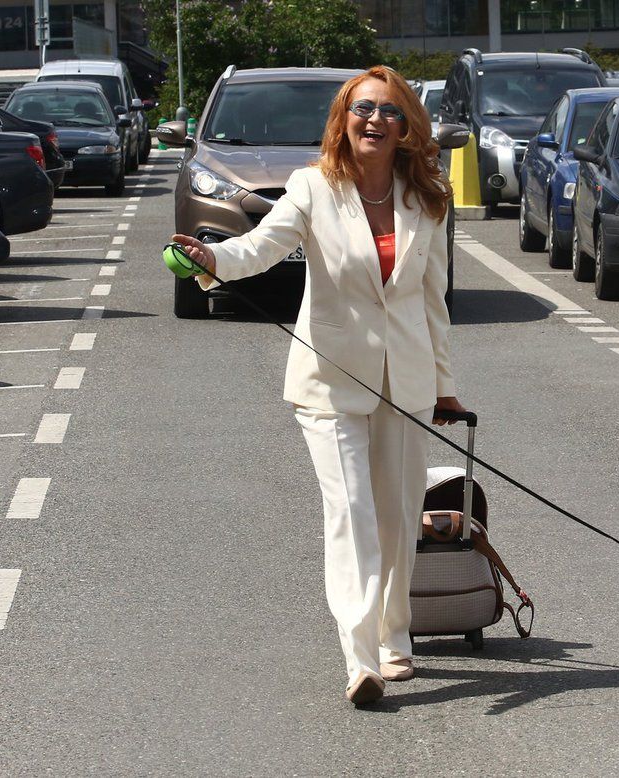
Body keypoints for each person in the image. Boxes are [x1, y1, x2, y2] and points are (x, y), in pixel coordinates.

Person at [170, 65, 466, 707]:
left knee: (396, 518)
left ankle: (394, 636)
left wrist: (444, 385)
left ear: (405, 127)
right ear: (343, 118)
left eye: (389, 111)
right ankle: (360, 660)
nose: (374, 120)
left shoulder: (427, 198)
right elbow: (261, 247)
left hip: (407, 381)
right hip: (329, 381)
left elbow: (432, 299)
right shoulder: (312, 187)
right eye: (363, 108)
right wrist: (212, 259)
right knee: (353, 513)